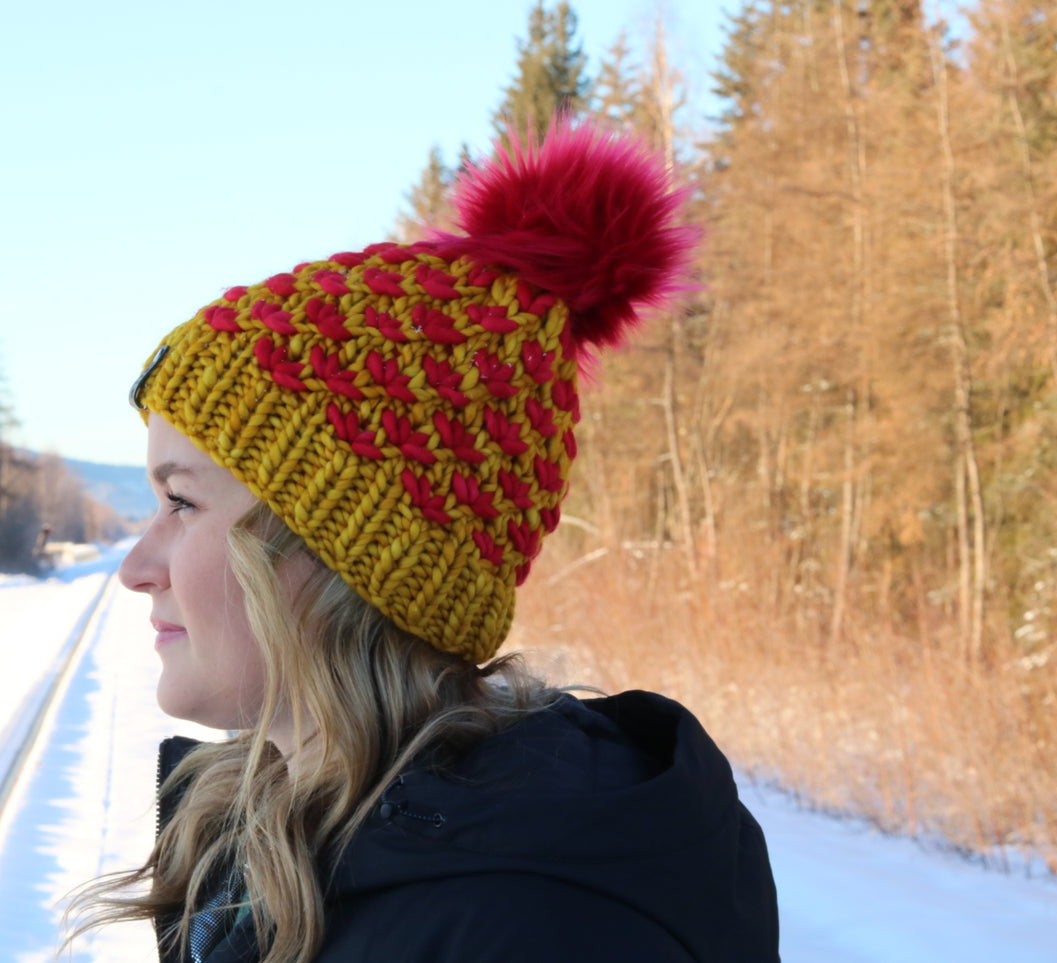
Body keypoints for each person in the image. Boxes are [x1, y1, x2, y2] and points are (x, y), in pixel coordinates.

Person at [68, 122, 779, 962]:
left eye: (180, 502)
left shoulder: (539, 930)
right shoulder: (277, 839)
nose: (135, 568)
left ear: (343, 555)